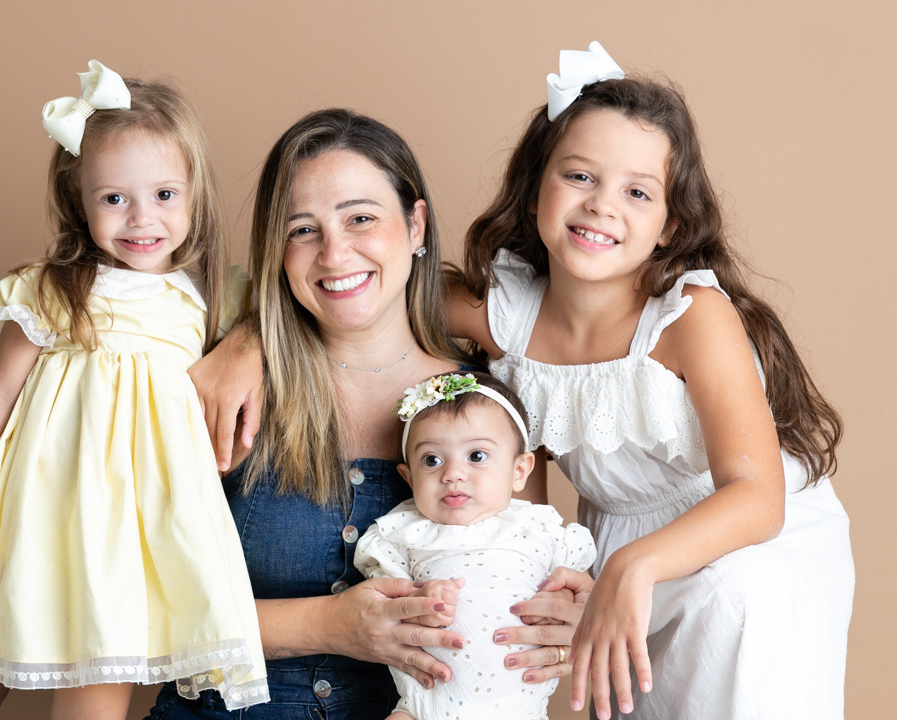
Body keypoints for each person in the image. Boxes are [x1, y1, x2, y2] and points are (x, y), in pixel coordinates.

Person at [448, 42, 854, 719]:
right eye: (580, 175)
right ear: (536, 186)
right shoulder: (507, 314)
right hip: (622, 544)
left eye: (636, 192)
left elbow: (759, 499)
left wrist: (634, 565)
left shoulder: (690, 316)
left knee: (740, 633)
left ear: (670, 227)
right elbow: (385, 293)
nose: (602, 206)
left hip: (745, 535)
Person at [147, 108, 592, 720]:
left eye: (360, 218)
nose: (334, 253)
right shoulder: (225, 389)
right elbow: (136, 612)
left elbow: (528, 594)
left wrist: (560, 620)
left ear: (415, 224)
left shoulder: (492, 408)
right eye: (303, 229)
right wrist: (326, 624)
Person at [0, 60, 266, 720]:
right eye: (114, 199)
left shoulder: (208, 300)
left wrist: (247, 337)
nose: (142, 218)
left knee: (97, 689)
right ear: (77, 199)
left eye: (164, 194)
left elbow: (282, 328)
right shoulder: (53, 289)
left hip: (131, 535)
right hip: (32, 519)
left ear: (194, 193)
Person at [355, 371, 596, 720]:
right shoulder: (404, 534)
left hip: (522, 710)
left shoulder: (540, 529)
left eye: (477, 456)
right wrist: (420, 602)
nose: (453, 473)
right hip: (423, 708)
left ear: (519, 470)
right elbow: (384, 612)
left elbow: (576, 594)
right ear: (409, 478)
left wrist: (562, 601)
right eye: (432, 460)